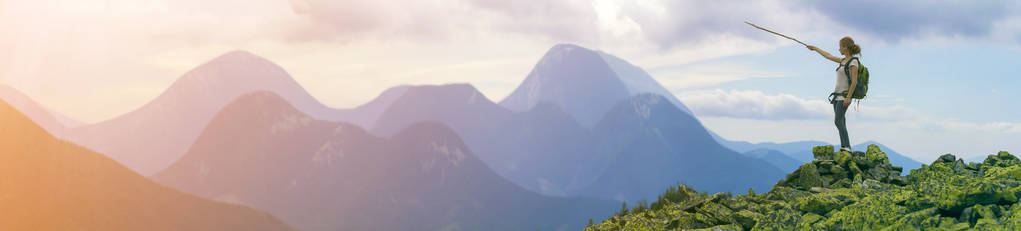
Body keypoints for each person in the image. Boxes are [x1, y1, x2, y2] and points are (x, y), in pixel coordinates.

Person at [806, 37, 861, 152]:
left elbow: (854, 81)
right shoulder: (843, 61)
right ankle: (845, 146)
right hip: (836, 96)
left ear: (845, 47)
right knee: (841, 121)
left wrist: (848, 97)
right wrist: (815, 48)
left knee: (838, 121)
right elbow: (828, 56)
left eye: (840, 46)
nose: (839, 49)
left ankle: (846, 147)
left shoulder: (853, 62)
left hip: (844, 97)